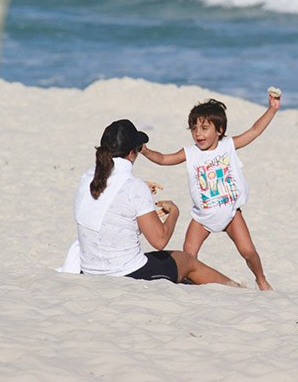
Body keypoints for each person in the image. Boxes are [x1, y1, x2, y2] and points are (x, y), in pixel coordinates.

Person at [64, 119, 241, 287]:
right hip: (126, 274)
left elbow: (111, 218)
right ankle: (236, 289)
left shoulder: (87, 178)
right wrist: (174, 213)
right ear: (132, 153)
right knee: (187, 261)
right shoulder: (134, 187)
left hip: (90, 270)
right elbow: (160, 240)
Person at [141, 94, 280, 290]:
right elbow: (164, 159)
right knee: (188, 256)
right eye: (194, 129)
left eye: (205, 128)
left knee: (248, 251)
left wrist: (272, 109)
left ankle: (261, 279)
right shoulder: (190, 152)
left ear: (219, 130)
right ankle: (191, 282)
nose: (198, 134)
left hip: (231, 213)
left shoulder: (228, 146)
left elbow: (255, 130)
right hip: (202, 217)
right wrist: (146, 152)